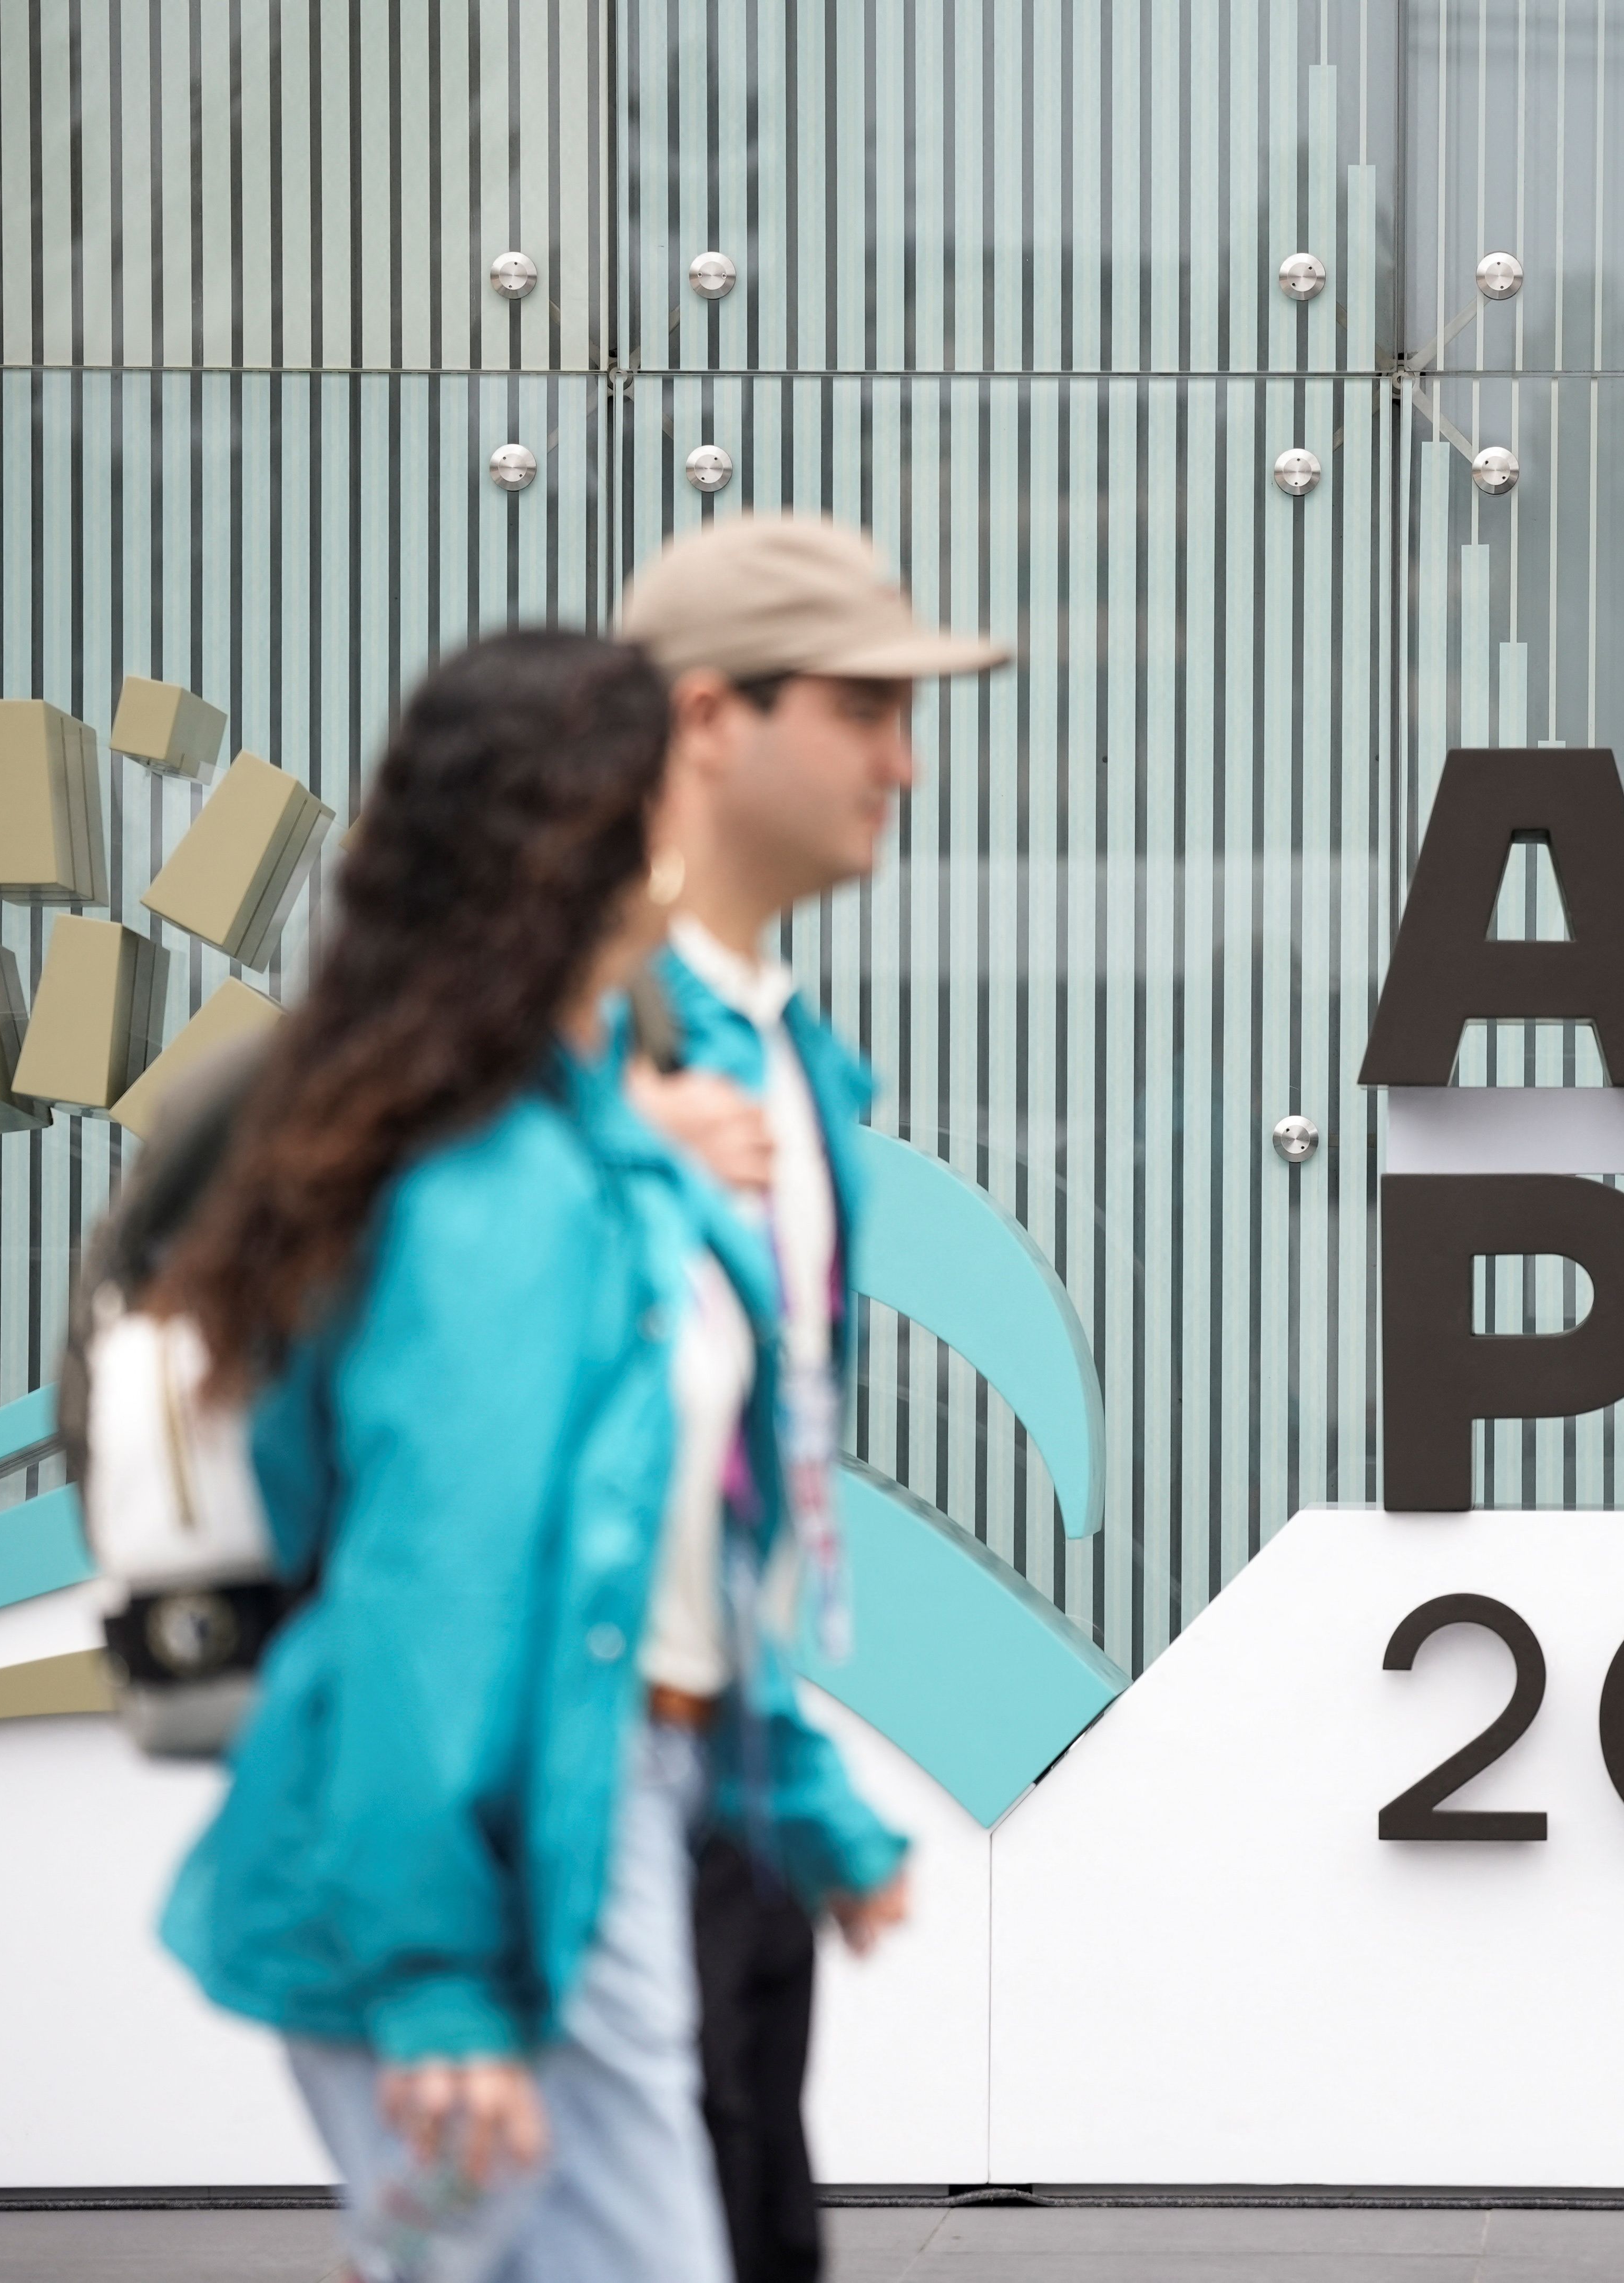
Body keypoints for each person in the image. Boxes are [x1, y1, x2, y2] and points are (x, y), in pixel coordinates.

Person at [149, 631, 758, 2283]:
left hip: (541, 1848)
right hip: (483, 1887)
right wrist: (438, 1980)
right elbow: (432, 1595)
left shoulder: (554, 1136)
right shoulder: (492, 1196)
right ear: (616, 845)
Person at [609, 516, 1007, 2283]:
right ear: (709, 720)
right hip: (575, 1802)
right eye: (861, 708)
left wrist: (797, 1801)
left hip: (719, 1782)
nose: (901, 761)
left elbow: (726, 1495)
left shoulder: (788, 1048)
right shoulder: (563, 1034)